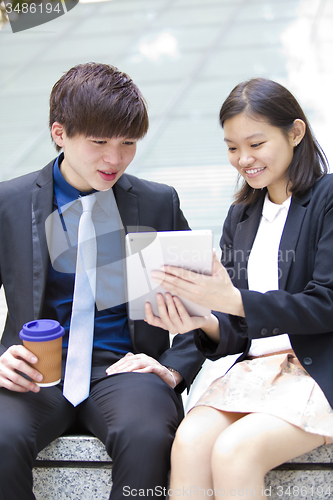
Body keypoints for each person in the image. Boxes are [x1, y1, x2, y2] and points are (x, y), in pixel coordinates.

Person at [0, 62, 204, 500]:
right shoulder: (9, 203)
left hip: (125, 369)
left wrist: (171, 368)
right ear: (60, 133)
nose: (115, 159)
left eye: (128, 143)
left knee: (149, 435)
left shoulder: (156, 204)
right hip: (34, 372)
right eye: (98, 143)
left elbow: (204, 305)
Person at [145, 78, 333, 498]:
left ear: (296, 133)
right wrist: (206, 319)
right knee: (190, 442)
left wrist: (230, 300)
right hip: (255, 369)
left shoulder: (328, 198)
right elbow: (237, 328)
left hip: (316, 370)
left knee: (234, 451)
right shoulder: (241, 217)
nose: (244, 159)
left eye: (255, 143)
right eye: (232, 147)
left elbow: (327, 303)